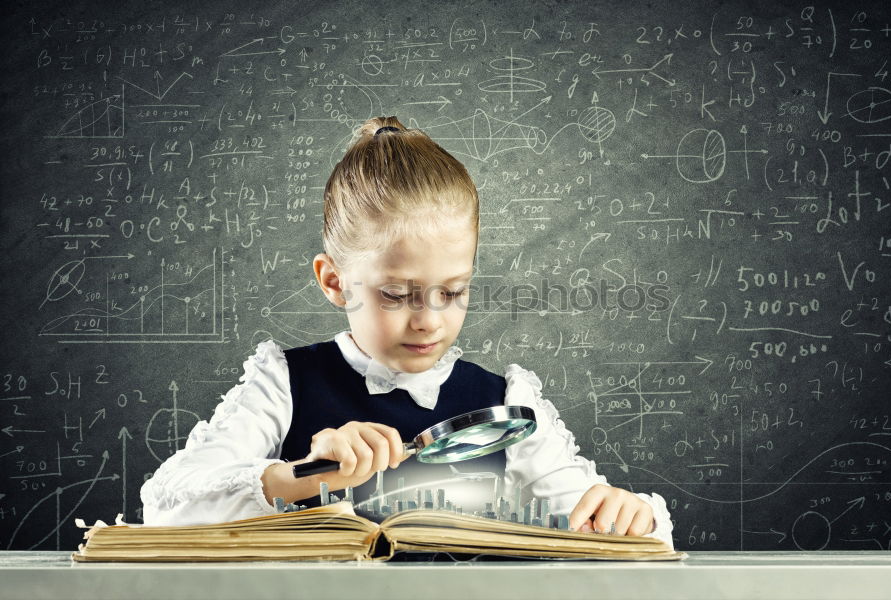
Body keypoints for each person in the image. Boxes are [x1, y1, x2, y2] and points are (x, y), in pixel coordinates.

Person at [140, 116, 675, 547]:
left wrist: (632, 516)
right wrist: (301, 473)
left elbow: (595, 522)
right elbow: (165, 505)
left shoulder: (505, 401)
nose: (429, 320)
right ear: (334, 281)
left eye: (453, 291)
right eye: (397, 295)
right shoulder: (284, 381)